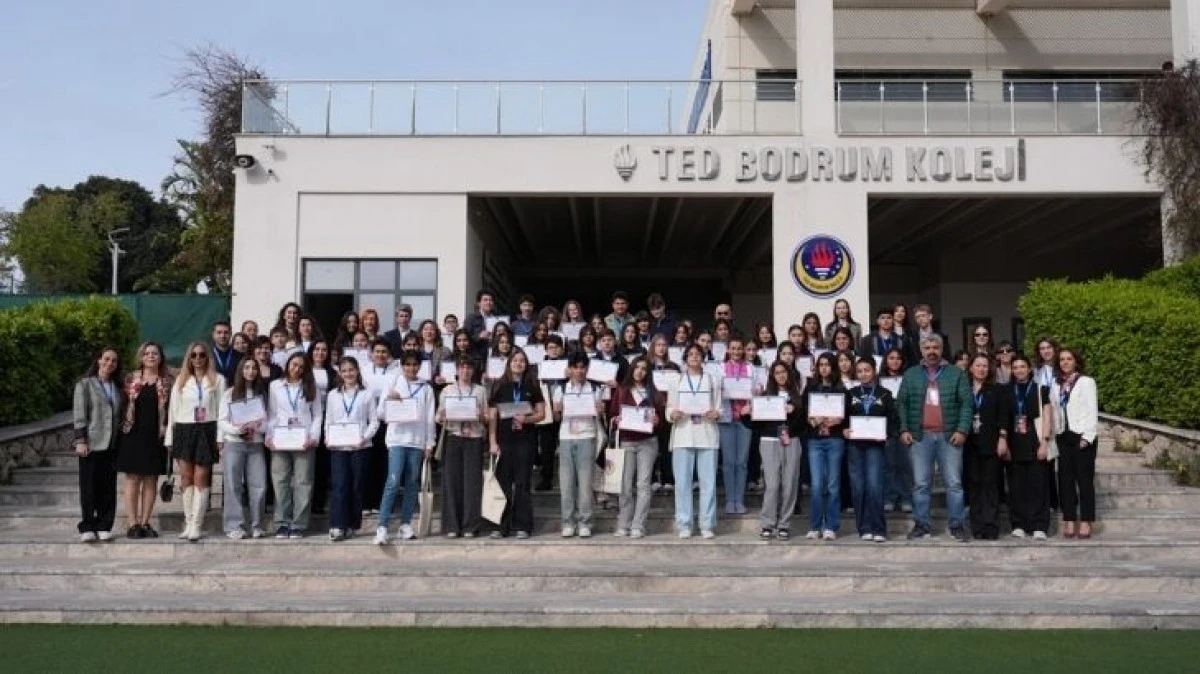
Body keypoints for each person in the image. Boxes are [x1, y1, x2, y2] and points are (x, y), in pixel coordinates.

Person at [896, 334, 972, 542]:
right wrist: (903, 429)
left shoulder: (956, 374)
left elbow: (966, 404)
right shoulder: (911, 374)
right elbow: (901, 403)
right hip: (920, 437)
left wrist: (962, 430)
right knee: (921, 484)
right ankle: (921, 525)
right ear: (921, 350)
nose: (931, 351)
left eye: (935, 347)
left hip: (949, 436)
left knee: (954, 484)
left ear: (942, 349)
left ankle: (957, 525)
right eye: (927, 347)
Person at [373, 352, 436, 544]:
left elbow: (429, 418)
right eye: (407, 365)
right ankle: (382, 527)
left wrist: (429, 443)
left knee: (411, 483)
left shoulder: (426, 388)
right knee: (392, 482)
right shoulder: (393, 382)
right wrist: (389, 400)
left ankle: (405, 524)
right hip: (396, 440)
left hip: (416, 441)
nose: (411, 368)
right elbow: (380, 413)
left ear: (419, 366)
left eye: (415, 364)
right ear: (402, 366)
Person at [165, 342, 225, 541]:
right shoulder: (181, 381)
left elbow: (221, 410)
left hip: (207, 429)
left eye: (201, 355)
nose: (198, 359)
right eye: (194, 355)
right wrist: (170, 437)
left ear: (207, 357)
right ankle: (188, 522)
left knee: (201, 476)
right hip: (184, 429)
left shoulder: (218, 380)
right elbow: (173, 411)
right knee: (185, 478)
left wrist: (220, 436)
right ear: (188, 358)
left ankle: (197, 524)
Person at [488, 350, 546, 539]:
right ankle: (500, 526)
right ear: (509, 363)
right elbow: (492, 417)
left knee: (522, 483)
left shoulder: (532, 386)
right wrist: (492, 441)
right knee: (502, 483)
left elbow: (542, 414)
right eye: (515, 360)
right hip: (504, 440)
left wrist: (526, 419)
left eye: (522, 361)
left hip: (525, 441)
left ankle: (523, 525)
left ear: (526, 364)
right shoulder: (499, 385)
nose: (518, 363)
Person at [117, 342, 172, 539]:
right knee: (132, 478)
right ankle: (132, 523)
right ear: (141, 357)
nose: (150, 356)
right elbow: (122, 405)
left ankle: (145, 522)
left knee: (151, 479)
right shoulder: (130, 378)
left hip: (156, 435)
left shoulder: (168, 381)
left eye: (154, 353)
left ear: (160, 357)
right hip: (132, 434)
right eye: (147, 353)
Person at [667, 344, 723, 539]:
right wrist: (672, 414)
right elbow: (669, 408)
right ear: (685, 358)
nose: (694, 357)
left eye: (698, 354)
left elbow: (719, 407)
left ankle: (707, 524)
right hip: (683, 434)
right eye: (690, 354)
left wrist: (716, 413)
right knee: (682, 483)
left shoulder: (712, 379)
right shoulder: (676, 380)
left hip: (707, 435)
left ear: (703, 358)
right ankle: (684, 523)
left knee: (708, 483)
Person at [265, 353, 323, 538]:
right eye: (294, 364)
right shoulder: (275, 386)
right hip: (281, 438)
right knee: (280, 481)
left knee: (303, 482)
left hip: (304, 440)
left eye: (301, 367)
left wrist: (313, 437)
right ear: (287, 364)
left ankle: (298, 523)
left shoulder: (311, 386)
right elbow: (272, 413)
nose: (296, 369)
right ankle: (282, 522)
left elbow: (317, 415)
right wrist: (269, 435)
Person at [72, 347, 125, 542]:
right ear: (98, 360)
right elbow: (79, 414)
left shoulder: (117, 387)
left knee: (108, 487)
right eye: (106, 359)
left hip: (112, 444)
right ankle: (87, 526)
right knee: (89, 486)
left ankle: (104, 525)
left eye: (114, 361)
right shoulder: (85, 384)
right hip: (92, 443)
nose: (110, 363)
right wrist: (80, 440)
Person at [325, 356, 379, 542]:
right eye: (344, 371)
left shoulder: (367, 394)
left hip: (360, 447)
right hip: (338, 447)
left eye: (351, 370)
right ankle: (337, 525)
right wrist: (328, 438)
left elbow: (374, 421)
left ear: (357, 371)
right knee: (340, 485)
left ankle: (352, 524)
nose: (348, 373)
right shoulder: (333, 395)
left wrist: (365, 438)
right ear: (340, 373)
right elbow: (329, 420)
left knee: (356, 486)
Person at [551, 352, 604, 538]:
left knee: (585, 484)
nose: (579, 371)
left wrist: (599, 410)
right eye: (576, 367)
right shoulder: (561, 389)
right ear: (570, 369)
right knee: (566, 484)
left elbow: (598, 415)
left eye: (582, 367)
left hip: (587, 436)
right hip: (566, 437)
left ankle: (585, 522)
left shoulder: (595, 389)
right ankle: (568, 522)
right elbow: (556, 417)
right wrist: (557, 410)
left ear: (587, 369)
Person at [845, 357, 896, 542]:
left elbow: (892, 420)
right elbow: (844, 418)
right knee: (858, 487)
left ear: (874, 371)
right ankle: (864, 528)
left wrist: (886, 434)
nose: (863, 374)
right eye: (860, 371)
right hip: (855, 446)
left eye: (867, 370)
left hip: (876, 446)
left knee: (875, 486)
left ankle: (879, 529)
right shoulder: (850, 394)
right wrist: (844, 429)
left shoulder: (885, 394)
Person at [217, 356, 268, 540]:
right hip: (234, 443)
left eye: (254, 368)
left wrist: (258, 427)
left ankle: (257, 525)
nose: (250, 371)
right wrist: (237, 429)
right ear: (240, 370)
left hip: (256, 443)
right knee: (233, 485)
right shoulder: (229, 393)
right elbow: (222, 420)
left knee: (259, 485)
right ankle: (234, 525)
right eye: (246, 367)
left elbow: (267, 421)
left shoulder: (261, 394)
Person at [438, 357, 489, 538]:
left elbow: (487, 417)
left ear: (473, 370)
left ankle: (470, 526)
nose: (465, 371)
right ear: (457, 370)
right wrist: (444, 415)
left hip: (474, 438)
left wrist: (480, 415)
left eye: (468, 367)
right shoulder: (447, 390)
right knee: (452, 481)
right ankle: (452, 525)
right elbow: (439, 417)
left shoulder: (480, 391)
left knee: (472, 483)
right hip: (453, 436)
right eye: (462, 367)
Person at [1052, 348, 1099, 540]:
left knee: (1084, 480)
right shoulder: (1056, 383)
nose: (1065, 362)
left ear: (1076, 361)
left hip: (1082, 436)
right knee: (1065, 480)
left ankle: (1086, 520)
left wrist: (1088, 436)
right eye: (1062, 359)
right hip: (1063, 435)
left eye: (1069, 359)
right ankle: (1069, 518)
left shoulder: (1086, 382)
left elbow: (1092, 409)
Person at [757, 360, 805, 540]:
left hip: (791, 440)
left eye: (783, 372)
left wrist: (794, 411)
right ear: (772, 376)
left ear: (789, 374)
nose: (781, 375)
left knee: (790, 483)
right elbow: (756, 423)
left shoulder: (797, 397)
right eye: (777, 373)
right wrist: (748, 413)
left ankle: (784, 524)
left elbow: (803, 425)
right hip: (769, 440)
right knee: (772, 484)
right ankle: (768, 523)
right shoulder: (764, 396)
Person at [1007, 354, 1053, 541]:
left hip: (1035, 443)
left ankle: (1039, 525)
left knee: (1038, 485)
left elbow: (1047, 417)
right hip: (1014, 444)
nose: (1019, 370)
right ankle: (1019, 524)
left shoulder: (1041, 390)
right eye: (1015, 367)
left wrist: (1044, 442)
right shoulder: (1007, 391)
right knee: (1017, 487)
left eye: (1022, 366)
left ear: (1029, 369)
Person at [964, 353, 1009, 541]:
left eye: (984, 366)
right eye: (978, 365)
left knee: (990, 485)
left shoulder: (997, 390)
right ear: (970, 368)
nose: (981, 369)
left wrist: (1003, 438)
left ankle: (991, 526)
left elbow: (1003, 415)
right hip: (968, 443)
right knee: (974, 484)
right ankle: (977, 526)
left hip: (991, 442)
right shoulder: (964, 389)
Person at [805, 352, 847, 541]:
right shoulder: (811, 387)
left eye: (827, 364)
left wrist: (838, 420)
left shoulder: (841, 389)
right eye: (821, 364)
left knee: (833, 485)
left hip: (835, 439)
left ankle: (831, 526)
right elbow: (804, 413)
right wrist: (813, 420)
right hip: (815, 440)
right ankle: (815, 526)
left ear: (833, 367)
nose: (824, 368)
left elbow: (846, 415)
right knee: (816, 485)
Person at [719, 334, 756, 515]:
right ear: (727, 349)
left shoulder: (750, 368)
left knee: (741, 462)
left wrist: (753, 399)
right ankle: (729, 499)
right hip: (726, 419)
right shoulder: (720, 368)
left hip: (744, 419)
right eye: (732, 348)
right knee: (728, 462)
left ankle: (739, 500)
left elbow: (756, 393)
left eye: (739, 348)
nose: (736, 351)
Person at [361, 338, 398, 514]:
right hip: (367, 421)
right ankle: (366, 502)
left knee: (383, 461)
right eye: (377, 351)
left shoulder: (396, 372)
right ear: (372, 353)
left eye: (384, 352)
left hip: (386, 421)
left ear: (389, 354)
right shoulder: (364, 371)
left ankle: (380, 503)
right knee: (367, 461)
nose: (380, 355)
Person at [879, 347, 912, 514]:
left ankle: (906, 498)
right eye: (891, 358)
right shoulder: (879, 381)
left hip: (905, 427)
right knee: (889, 465)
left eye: (898, 358)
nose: (895, 361)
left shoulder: (908, 379)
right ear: (886, 361)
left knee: (905, 465)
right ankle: (889, 498)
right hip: (886, 428)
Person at [647, 334, 681, 492]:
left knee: (667, 445)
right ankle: (653, 478)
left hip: (668, 409)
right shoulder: (647, 365)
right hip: (651, 410)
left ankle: (668, 478)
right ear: (653, 347)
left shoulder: (673, 367)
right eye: (658, 345)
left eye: (664, 345)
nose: (661, 348)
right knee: (651, 445)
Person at [308, 339, 338, 516]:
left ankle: (318, 502)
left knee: (322, 464)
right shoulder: (304, 370)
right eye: (317, 349)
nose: (320, 352)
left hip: (326, 418)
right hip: (306, 419)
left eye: (324, 350)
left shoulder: (333, 373)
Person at [534, 335, 566, 491]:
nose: (554, 350)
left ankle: (568, 479)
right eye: (550, 348)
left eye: (557, 347)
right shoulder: (539, 367)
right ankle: (546, 478)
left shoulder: (568, 366)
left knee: (566, 446)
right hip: (546, 409)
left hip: (566, 409)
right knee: (547, 446)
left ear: (562, 349)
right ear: (545, 350)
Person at [463, 290, 500, 358]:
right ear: (479, 303)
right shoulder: (471, 318)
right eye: (485, 300)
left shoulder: (498, 319)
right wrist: (479, 337)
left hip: (494, 356)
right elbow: (464, 338)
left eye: (490, 300)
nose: (488, 302)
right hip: (476, 357)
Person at [211, 320, 237, 385]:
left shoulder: (240, 356)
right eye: (219, 332)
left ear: (230, 334)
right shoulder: (206, 356)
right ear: (213, 335)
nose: (222, 336)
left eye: (226, 332)